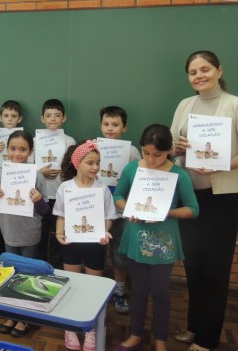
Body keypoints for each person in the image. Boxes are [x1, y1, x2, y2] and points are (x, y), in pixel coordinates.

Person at [170, 50, 238, 351]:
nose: (199, 76)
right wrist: (178, 147)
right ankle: (194, 327)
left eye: (205, 69)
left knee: (215, 271)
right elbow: (172, 146)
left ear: (219, 71)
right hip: (190, 198)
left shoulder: (234, 105)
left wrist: (221, 164)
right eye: (193, 72)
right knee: (194, 266)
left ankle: (207, 339)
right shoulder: (185, 104)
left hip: (223, 198)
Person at [113, 124, 198, 351]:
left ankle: (160, 340)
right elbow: (118, 195)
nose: (151, 159)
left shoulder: (179, 174)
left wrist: (167, 212)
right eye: (146, 153)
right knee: (138, 291)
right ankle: (135, 335)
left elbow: (193, 209)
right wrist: (129, 208)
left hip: (163, 241)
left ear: (169, 150)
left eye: (158, 154)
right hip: (136, 238)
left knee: (160, 293)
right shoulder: (132, 169)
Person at [53, 140, 116, 351]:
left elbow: (109, 216)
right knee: (71, 283)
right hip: (72, 242)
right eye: (90, 163)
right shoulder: (65, 187)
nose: (95, 167)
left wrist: (104, 231)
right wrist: (59, 233)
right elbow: (61, 215)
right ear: (77, 163)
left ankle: (91, 327)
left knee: (92, 286)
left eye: (98, 162)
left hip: (95, 244)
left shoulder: (102, 189)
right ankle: (70, 326)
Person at [0, 130, 48, 338]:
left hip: (30, 231)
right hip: (9, 229)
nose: (17, 153)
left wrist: (38, 200)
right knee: (10, 272)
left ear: (30, 151)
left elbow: (45, 210)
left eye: (22, 149)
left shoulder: (37, 175)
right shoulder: (0, 173)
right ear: (7, 150)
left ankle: (24, 316)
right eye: (13, 149)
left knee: (28, 273)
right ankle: (11, 313)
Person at [99, 105, 142, 314]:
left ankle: (119, 291)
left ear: (124, 128)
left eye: (115, 125)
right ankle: (96, 289)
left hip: (122, 210)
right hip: (97, 209)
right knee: (96, 251)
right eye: (106, 124)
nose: (110, 128)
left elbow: (140, 178)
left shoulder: (132, 151)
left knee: (119, 254)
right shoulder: (94, 147)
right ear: (101, 126)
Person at [37, 98, 76, 268]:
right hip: (39, 196)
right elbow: (27, 167)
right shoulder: (35, 140)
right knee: (39, 234)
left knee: (57, 234)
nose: (53, 119)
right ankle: (38, 267)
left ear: (64, 118)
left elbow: (73, 167)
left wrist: (64, 171)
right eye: (48, 115)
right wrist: (40, 172)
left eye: (57, 115)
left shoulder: (70, 141)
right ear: (42, 118)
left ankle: (56, 268)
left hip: (60, 197)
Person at [0, 99, 24, 257]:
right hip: (0, 183)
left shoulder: (24, 137)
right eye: (6, 115)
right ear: (0, 117)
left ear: (19, 119)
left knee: (15, 222)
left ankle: (16, 255)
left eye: (13, 116)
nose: (9, 119)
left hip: (19, 183)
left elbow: (29, 161)